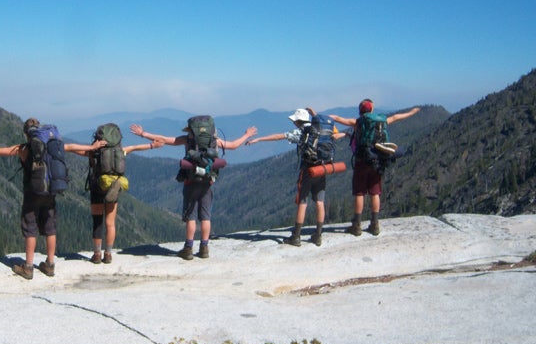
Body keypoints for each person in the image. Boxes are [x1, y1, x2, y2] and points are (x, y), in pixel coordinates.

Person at [0, 118, 106, 280]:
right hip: (50, 192)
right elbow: (71, 147)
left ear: (26, 134)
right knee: (50, 228)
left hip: (32, 193)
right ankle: (50, 264)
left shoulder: (23, 149)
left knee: (30, 227)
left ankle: (28, 267)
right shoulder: (52, 147)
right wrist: (92, 147)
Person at [130, 118, 257, 260]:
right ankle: (204, 248)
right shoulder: (215, 141)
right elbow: (233, 145)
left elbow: (164, 139)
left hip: (190, 182)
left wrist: (143, 134)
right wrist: (247, 135)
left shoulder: (187, 140)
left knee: (191, 216)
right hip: (207, 182)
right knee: (205, 216)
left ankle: (188, 248)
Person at [247, 108, 345, 246]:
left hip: (308, 169)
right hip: (323, 168)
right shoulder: (321, 129)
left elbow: (278, 136)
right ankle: (318, 235)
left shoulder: (301, 132)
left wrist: (258, 139)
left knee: (302, 202)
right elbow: (335, 134)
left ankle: (296, 236)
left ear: (297, 121)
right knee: (320, 202)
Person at [69, 124, 164, 265]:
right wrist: (152, 146)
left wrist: (89, 147)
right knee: (110, 223)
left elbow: (73, 149)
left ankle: (96, 254)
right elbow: (136, 147)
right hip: (113, 186)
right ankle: (108, 254)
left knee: (97, 222)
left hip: (97, 187)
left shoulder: (93, 152)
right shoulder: (120, 151)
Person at [330, 99, 420, 236]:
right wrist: (412, 112)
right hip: (378, 160)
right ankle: (375, 224)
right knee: (375, 192)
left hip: (362, 160)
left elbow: (337, 118)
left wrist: (320, 117)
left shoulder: (357, 122)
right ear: (372, 110)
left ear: (360, 111)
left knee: (360, 193)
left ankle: (357, 225)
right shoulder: (381, 122)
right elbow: (396, 117)